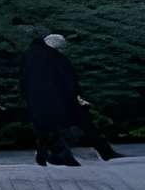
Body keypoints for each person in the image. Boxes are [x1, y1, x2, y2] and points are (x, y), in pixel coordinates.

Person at [23, 32, 113, 165]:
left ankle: (46, 155)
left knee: (46, 128)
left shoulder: (30, 56)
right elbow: (68, 79)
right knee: (82, 122)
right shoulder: (56, 58)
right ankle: (102, 151)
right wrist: (77, 96)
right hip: (61, 99)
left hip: (38, 100)